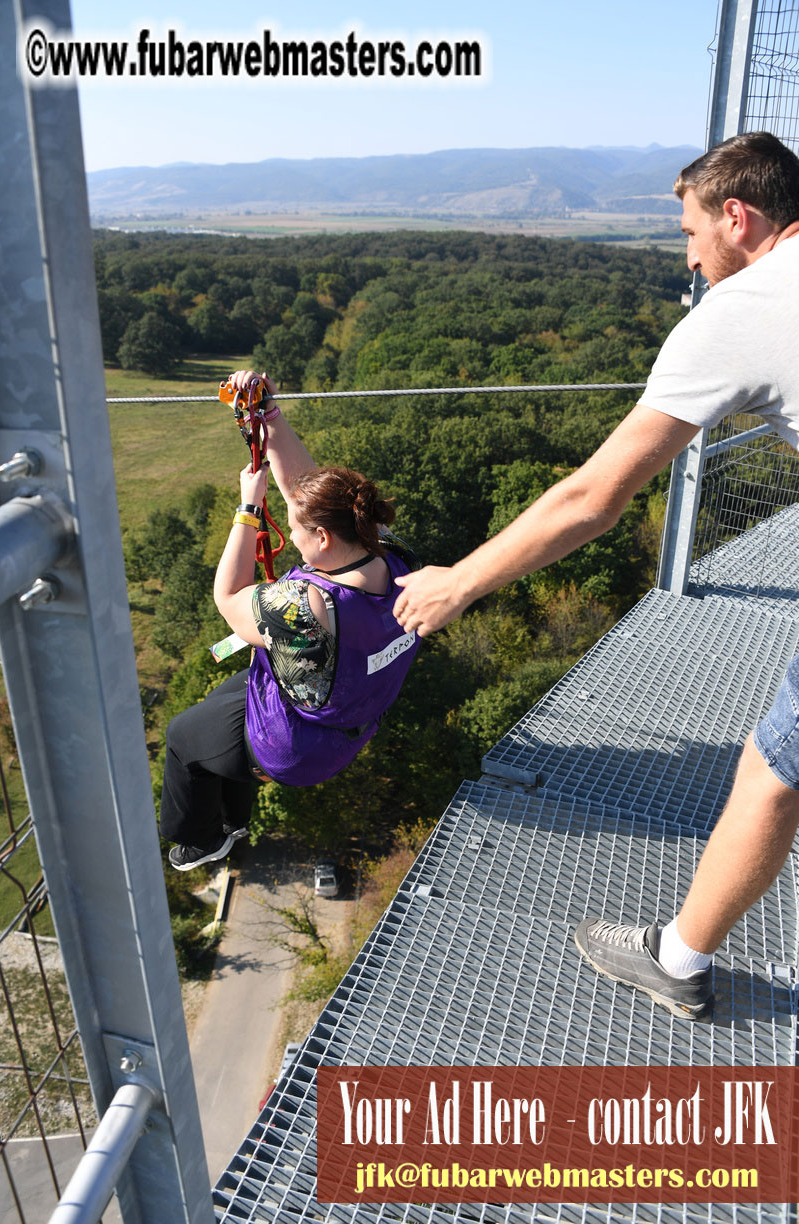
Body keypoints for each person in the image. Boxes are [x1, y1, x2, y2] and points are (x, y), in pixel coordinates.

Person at [393, 131, 799, 1020]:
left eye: (692, 235)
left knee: (777, 766)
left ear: (739, 217)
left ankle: (678, 960)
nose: (689, 260)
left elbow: (592, 495)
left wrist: (459, 581)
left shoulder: (743, 310)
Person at [160, 371, 419, 870]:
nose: (291, 534)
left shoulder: (304, 608)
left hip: (297, 749)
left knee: (182, 738)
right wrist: (268, 416)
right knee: (222, 698)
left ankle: (203, 837)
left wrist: (247, 511)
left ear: (323, 537)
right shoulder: (389, 553)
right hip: (349, 715)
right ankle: (234, 816)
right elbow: (302, 490)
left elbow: (229, 596)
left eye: (297, 530)